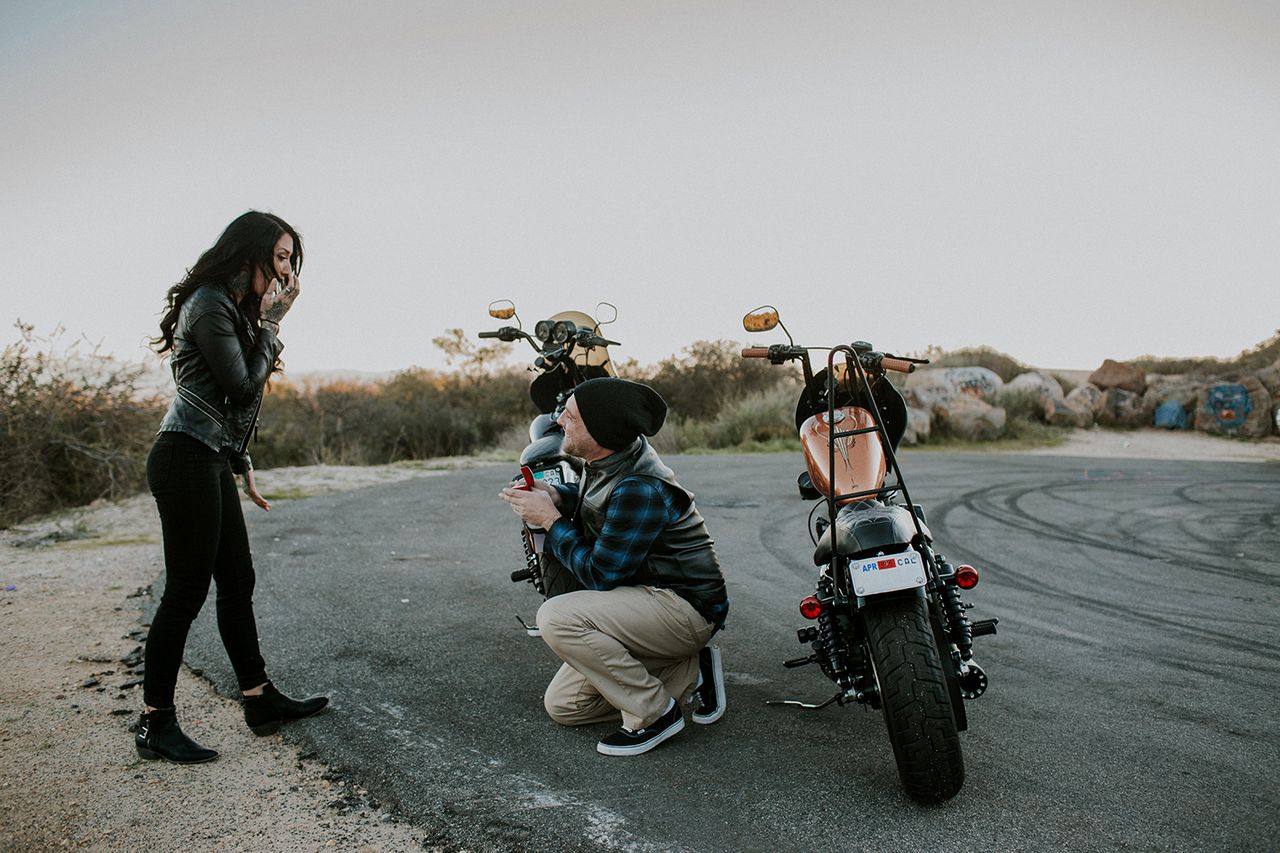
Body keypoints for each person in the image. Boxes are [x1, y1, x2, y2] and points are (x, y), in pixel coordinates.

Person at [136, 211, 328, 764]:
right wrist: (272, 327)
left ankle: (259, 698)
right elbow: (241, 386)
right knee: (185, 593)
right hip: (183, 459)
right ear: (252, 253)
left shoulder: (233, 309)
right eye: (283, 257)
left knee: (237, 579)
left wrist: (239, 461)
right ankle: (155, 722)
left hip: (209, 458)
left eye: (294, 258)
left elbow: (228, 404)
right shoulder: (209, 304)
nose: (289, 271)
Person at [500, 378, 729, 756]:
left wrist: (552, 521)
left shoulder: (640, 484)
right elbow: (597, 502)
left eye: (570, 417)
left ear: (600, 429)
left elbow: (601, 574)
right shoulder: (609, 457)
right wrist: (556, 495)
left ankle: (654, 715)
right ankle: (688, 667)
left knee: (556, 617)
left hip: (682, 606)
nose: (559, 423)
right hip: (643, 599)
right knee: (566, 706)